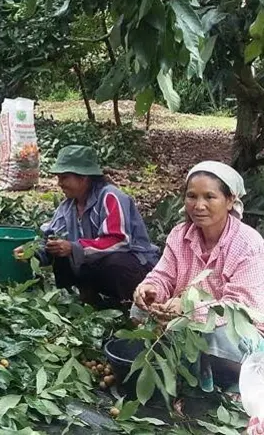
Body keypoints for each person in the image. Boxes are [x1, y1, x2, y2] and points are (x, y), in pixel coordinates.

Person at [133, 161, 264, 389]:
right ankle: (178, 367)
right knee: (140, 309)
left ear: (230, 200)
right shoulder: (180, 234)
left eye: (210, 197)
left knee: (217, 335)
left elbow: (239, 309)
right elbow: (164, 274)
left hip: (238, 331)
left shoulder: (248, 244)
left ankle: (232, 381)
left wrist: (187, 308)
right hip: (185, 321)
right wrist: (151, 288)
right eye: (192, 196)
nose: (199, 205)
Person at [18, 145, 159, 306]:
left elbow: (118, 241)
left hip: (136, 268)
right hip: (97, 267)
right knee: (61, 254)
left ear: (84, 178)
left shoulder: (111, 197)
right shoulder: (67, 207)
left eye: (64, 178)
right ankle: (85, 302)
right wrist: (32, 252)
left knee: (114, 261)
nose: (59, 183)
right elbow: (50, 239)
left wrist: (74, 248)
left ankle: (129, 305)